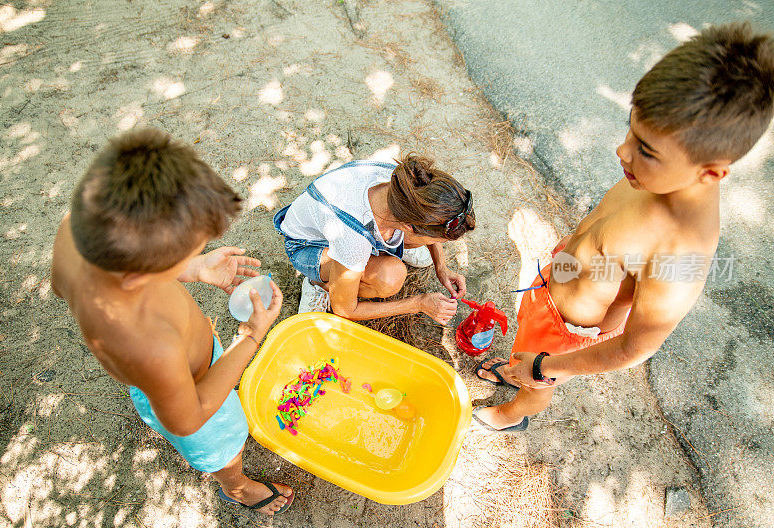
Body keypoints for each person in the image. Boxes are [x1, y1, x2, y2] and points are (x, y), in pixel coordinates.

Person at [473, 22, 774, 431]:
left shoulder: (681, 251)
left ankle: (514, 412)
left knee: (535, 381)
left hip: (565, 328)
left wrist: (545, 368)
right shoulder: (657, 175)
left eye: (645, 150)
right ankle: (518, 364)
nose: (622, 151)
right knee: (524, 348)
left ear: (710, 173)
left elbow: (633, 347)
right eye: (631, 130)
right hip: (553, 287)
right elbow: (610, 230)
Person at [51, 128, 294, 515]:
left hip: (179, 363)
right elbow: (190, 419)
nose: (193, 257)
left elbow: (63, 288)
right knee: (224, 446)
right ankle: (237, 487)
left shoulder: (75, 230)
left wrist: (193, 268)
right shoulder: (147, 344)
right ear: (137, 276)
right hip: (193, 394)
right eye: (181, 255)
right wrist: (250, 336)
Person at [274, 154, 475, 323]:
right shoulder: (352, 237)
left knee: (411, 243)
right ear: (408, 226)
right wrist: (419, 303)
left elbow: (426, 215)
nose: (437, 244)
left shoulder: (408, 184)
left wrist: (441, 268)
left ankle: (388, 247)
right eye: (437, 240)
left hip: (348, 228)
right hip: (307, 247)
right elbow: (345, 310)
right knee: (391, 277)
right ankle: (319, 285)